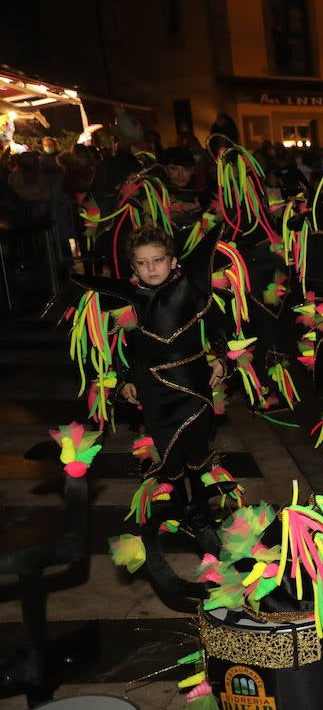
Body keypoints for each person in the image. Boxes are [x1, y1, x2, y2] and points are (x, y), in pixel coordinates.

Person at [70, 225, 229, 549]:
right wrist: (125, 379)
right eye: (142, 263)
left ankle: (201, 520)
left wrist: (223, 360)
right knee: (169, 461)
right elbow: (124, 348)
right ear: (133, 267)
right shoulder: (127, 299)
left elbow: (218, 327)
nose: (151, 268)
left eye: (158, 260)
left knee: (198, 456)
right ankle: (183, 513)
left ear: (173, 262)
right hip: (154, 392)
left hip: (193, 387)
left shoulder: (191, 288)